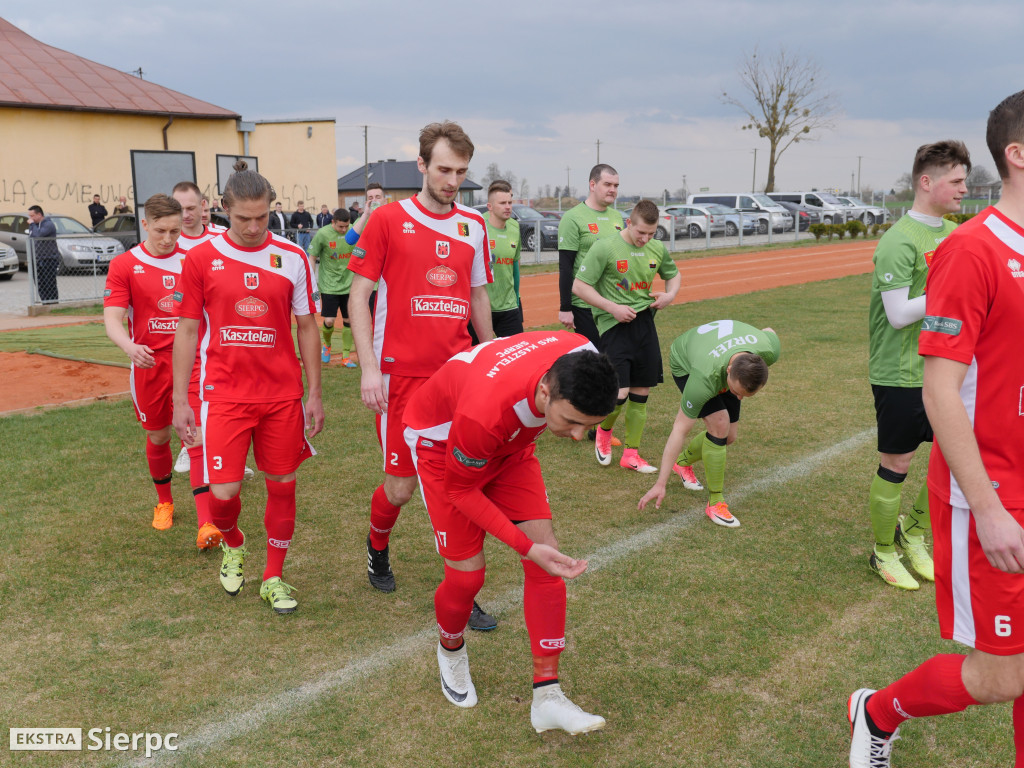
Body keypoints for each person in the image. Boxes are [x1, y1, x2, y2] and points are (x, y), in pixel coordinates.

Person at [848, 90, 1024, 768]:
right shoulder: (971, 250)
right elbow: (939, 387)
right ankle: (876, 711)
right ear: (1016, 154)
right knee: (1001, 676)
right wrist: (987, 509)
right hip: (995, 494)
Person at [403, 331, 617, 733]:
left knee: (548, 563)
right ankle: (450, 649)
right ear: (544, 390)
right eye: (571, 421)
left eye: (588, 426)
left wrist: (536, 548)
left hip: (511, 446)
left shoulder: (583, 353)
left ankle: (548, 695)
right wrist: (524, 545)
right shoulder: (484, 412)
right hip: (443, 444)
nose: (576, 435)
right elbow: (462, 489)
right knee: (467, 577)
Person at [348, 121, 497, 628]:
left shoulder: (472, 227)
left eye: (460, 171)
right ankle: (377, 544)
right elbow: (359, 297)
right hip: (399, 378)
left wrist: (491, 356)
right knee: (401, 487)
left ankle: (464, 584)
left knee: (461, 479)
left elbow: (478, 296)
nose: (452, 180)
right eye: (443, 169)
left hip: (455, 376)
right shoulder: (388, 220)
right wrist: (369, 367)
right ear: (421, 166)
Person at [171, 161, 323, 615]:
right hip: (225, 395)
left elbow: (307, 327)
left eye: (262, 217)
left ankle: (273, 575)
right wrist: (181, 399)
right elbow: (185, 330)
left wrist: (314, 392)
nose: (255, 227)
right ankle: (234, 544)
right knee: (223, 496)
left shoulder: (292, 258)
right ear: (224, 211)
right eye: (244, 219)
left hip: (281, 397)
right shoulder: (201, 258)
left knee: (283, 485)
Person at [865, 140, 971, 591]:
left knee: (952, 457)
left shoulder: (954, 234)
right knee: (899, 462)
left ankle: (914, 534)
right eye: (957, 181)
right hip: (901, 371)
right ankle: (882, 552)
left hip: (947, 369)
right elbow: (899, 313)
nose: (965, 189)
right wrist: (956, 295)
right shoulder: (898, 240)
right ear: (927, 182)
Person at [169, 180, 251, 544]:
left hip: (230, 348)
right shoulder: (166, 243)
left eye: (191, 207)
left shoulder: (222, 238)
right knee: (187, 432)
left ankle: (222, 458)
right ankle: (205, 520)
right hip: (191, 347)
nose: (186, 215)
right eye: (179, 209)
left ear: (204, 206)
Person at [572, 199, 681, 473]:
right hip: (614, 324)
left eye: (651, 234)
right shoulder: (605, 247)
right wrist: (612, 308)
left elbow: (674, 274)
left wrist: (669, 295)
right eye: (640, 232)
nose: (645, 239)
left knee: (641, 391)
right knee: (619, 392)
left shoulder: (656, 248)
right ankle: (603, 433)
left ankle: (631, 454)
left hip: (644, 323)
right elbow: (579, 286)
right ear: (629, 223)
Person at [638, 320, 780, 528]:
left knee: (729, 437)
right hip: (687, 361)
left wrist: (735, 391)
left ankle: (683, 463)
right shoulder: (703, 379)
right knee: (720, 424)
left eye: (746, 396)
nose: (739, 399)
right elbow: (679, 429)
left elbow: (769, 331)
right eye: (736, 393)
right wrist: (660, 483)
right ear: (729, 370)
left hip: (719, 353)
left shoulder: (768, 351)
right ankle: (716, 502)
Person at [102, 194, 186, 531]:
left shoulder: (193, 259)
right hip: (149, 365)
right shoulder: (125, 264)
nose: (168, 239)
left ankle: (209, 518)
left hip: (190, 363)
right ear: (146, 224)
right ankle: (164, 502)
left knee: (198, 435)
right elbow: (112, 319)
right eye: (161, 231)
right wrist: (129, 346)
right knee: (159, 436)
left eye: (175, 232)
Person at [557, 164, 623, 346]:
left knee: (614, 360)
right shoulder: (573, 218)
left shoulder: (617, 217)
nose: (612, 190)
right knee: (593, 364)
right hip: (585, 306)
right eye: (607, 184)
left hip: (614, 304)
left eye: (616, 186)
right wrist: (565, 308)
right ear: (592, 185)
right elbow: (565, 265)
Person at [311, 208, 357, 366]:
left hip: (349, 284)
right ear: (333, 222)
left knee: (349, 319)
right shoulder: (323, 234)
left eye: (346, 226)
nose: (344, 230)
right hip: (329, 285)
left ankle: (345, 356)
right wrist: (311, 280)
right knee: (329, 321)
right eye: (340, 227)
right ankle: (327, 345)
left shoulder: (353, 231)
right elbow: (312, 256)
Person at [483, 179, 524, 337]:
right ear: (490, 207)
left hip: (509, 307)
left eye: (509, 202)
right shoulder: (478, 226)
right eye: (502, 203)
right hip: (483, 308)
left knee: (516, 354)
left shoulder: (515, 227)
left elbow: (515, 263)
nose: (508, 207)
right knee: (480, 357)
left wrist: (517, 297)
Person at [27, 205, 59, 304]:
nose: (30, 219)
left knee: (49, 282)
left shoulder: (48, 224)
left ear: (39, 214)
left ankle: (53, 303)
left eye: (32, 216)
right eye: (30, 216)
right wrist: (32, 225)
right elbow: (32, 234)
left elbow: (38, 235)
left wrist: (32, 225)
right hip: (37, 258)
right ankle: (45, 302)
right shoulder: (35, 225)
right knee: (40, 283)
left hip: (49, 258)